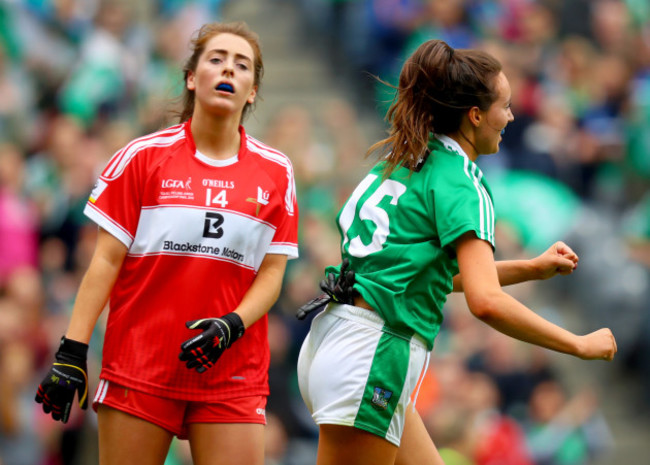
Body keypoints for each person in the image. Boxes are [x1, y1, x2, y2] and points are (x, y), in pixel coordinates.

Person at [296, 39, 616, 465]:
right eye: (505, 105)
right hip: (374, 355)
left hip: (338, 341)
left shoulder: (403, 158)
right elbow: (485, 303)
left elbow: (427, 278)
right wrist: (578, 344)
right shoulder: (463, 180)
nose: (512, 116)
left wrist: (532, 269)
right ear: (476, 115)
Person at [34, 21, 299, 465]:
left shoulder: (276, 171)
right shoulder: (142, 157)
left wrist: (232, 324)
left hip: (231, 372)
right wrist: (71, 350)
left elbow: (272, 273)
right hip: (139, 367)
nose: (228, 70)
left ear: (252, 91)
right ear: (192, 78)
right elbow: (104, 262)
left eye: (242, 65)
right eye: (216, 60)